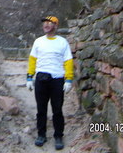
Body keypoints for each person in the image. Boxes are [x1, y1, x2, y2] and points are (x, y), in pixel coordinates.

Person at [26, 16, 74, 150]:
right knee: (41, 109)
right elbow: (32, 60)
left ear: (56, 26)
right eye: (44, 23)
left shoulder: (62, 42)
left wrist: (68, 79)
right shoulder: (38, 42)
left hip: (57, 79)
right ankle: (41, 135)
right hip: (41, 79)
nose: (46, 25)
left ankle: (58, 136)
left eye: (49, 23)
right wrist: (29, 77)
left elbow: (68, 61)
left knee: (57, 110)